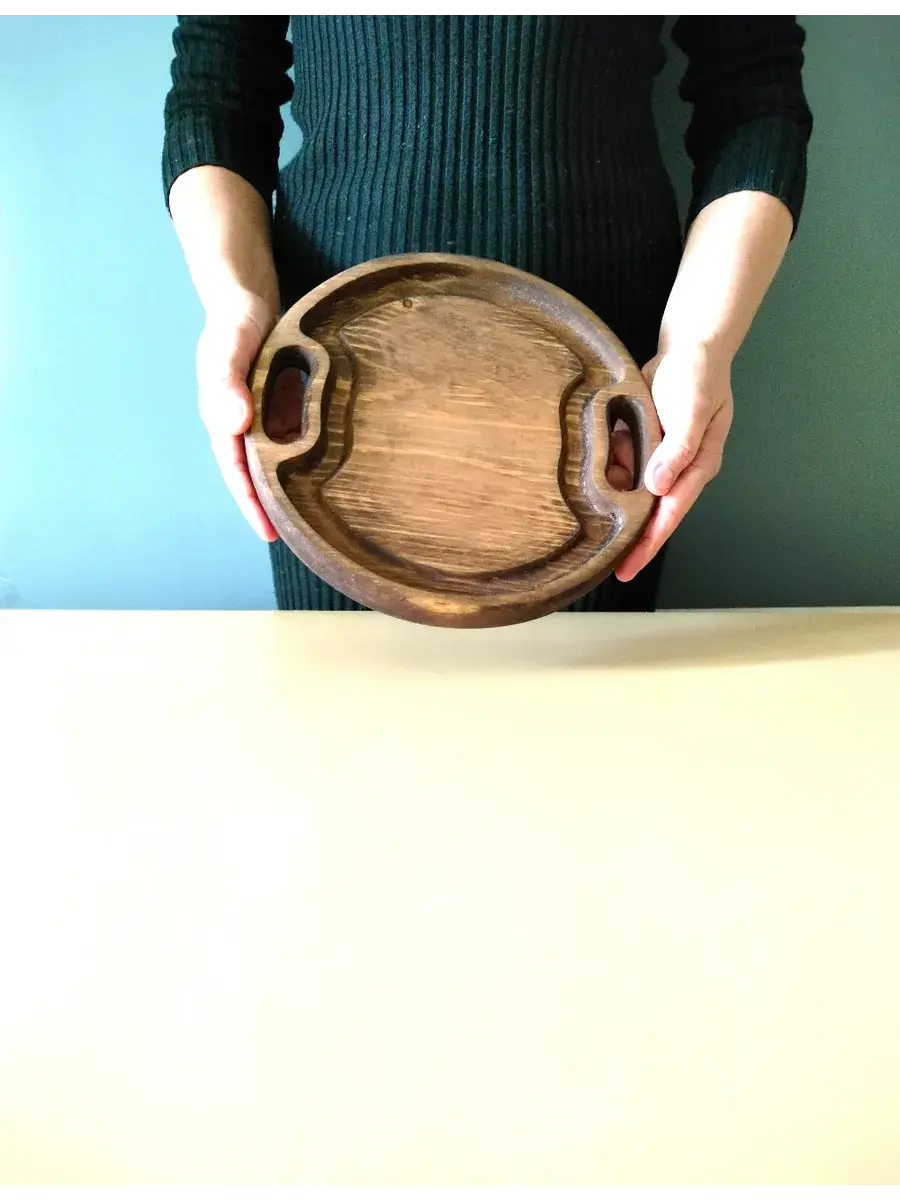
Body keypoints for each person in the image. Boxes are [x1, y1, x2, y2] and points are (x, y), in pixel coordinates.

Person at [162, 10, 812, 613]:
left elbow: (754, 95)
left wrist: (700, 341)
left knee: (587, 699)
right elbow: (217, 89)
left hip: (605, 425)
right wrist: (236, 300)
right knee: (350, 697)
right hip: (326, 414)